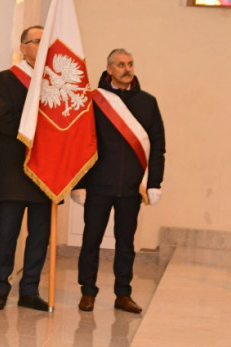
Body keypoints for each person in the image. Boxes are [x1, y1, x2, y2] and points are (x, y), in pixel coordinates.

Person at [70, 48, 165, 314]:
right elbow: (82, 144)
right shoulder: (93, 101)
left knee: (126, 243)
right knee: (91, 240)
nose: (127, 69)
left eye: (130, 64)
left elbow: (157, 147)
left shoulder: (148, 102)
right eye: (120, 64)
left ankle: (123, 294)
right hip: (99, 186)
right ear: (109, 69)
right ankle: (87, 292)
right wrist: (80, 182)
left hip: (131, 188)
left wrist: (155, 182)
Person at [0, 26, 53, 312]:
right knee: (7, 235)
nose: (41, 46)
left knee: (39, 237)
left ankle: (30, 290)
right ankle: (0, 289)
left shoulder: (55, 82)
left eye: (45, 41)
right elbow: (3, 121)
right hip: (16, 169)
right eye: (36, 41)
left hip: (46, 172)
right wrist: (40, 133)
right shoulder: (6, 79)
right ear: (23, 47)